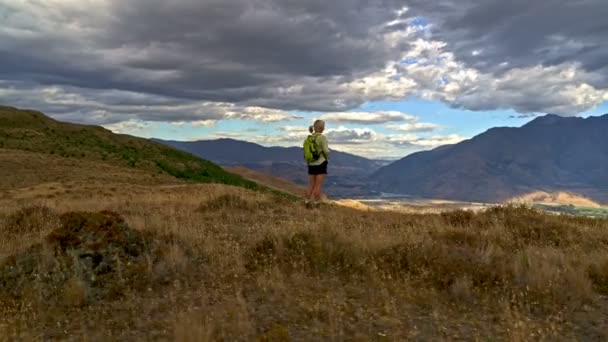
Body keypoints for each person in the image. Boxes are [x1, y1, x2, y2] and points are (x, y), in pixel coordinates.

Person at [305, 119, 329, 208]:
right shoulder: (322, 137)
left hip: (311, 163)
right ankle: (316, 204)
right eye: (323, 126)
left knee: (311, 184)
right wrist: (328, 156)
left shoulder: (310, 138)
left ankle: (307, 202)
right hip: (321, 163)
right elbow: (326, 151)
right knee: (318, 185)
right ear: (322, 128)